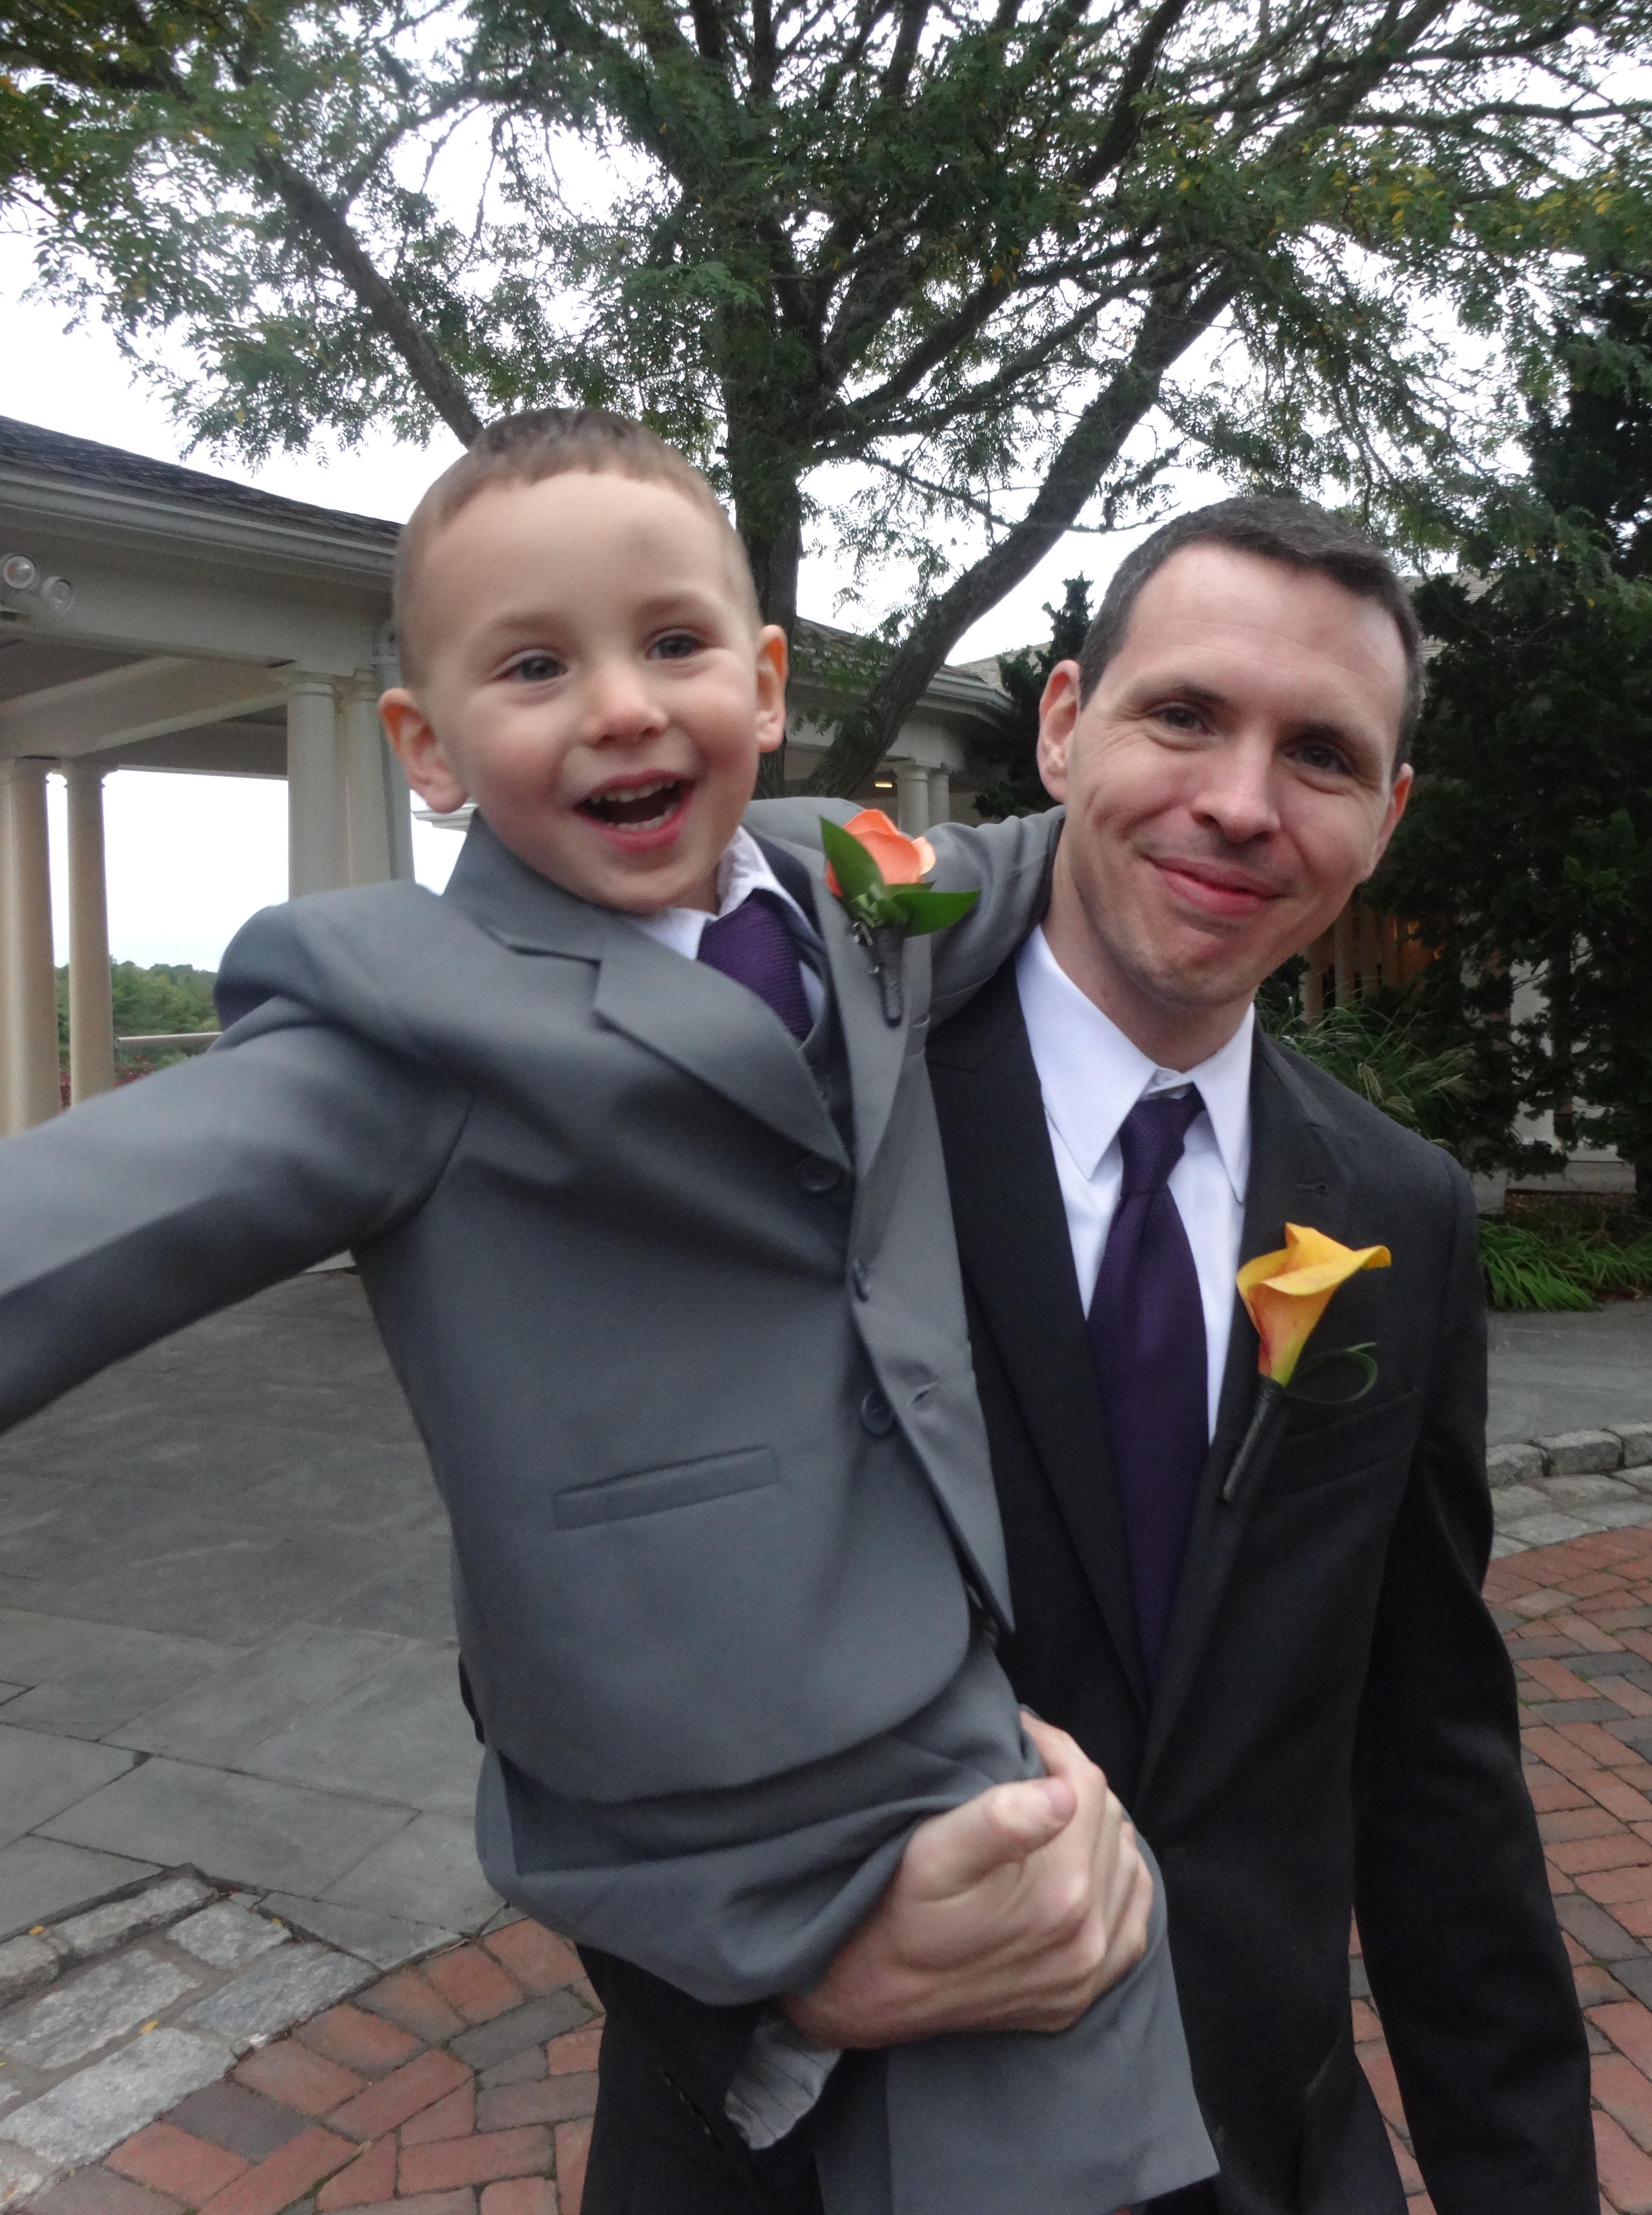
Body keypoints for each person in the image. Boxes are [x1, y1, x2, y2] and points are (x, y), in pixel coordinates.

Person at [0, 410, 1215, 2215]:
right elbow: (76, 1227)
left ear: (765, 681)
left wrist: (1181, 786)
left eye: (671, 643)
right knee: (1038, 2025)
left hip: (929, 1667)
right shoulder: (402, 1013)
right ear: (425, 747)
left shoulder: (849, 878)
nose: (624, 708)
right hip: (678, 1750)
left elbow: (1034, 862)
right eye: (534, 667)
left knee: (1072, 2044)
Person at [581, 496, 1596, 2214]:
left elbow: (1428, 1754)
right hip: (827, 2150)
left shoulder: (1399, 1213)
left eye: (1322, 755)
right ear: (1063, 725)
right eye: (1183, 713)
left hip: (1256, 2143)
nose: (1240, 802)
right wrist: (782, 1982)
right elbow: (569, 1644)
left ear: (1385, 816)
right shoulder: (787, 1115)